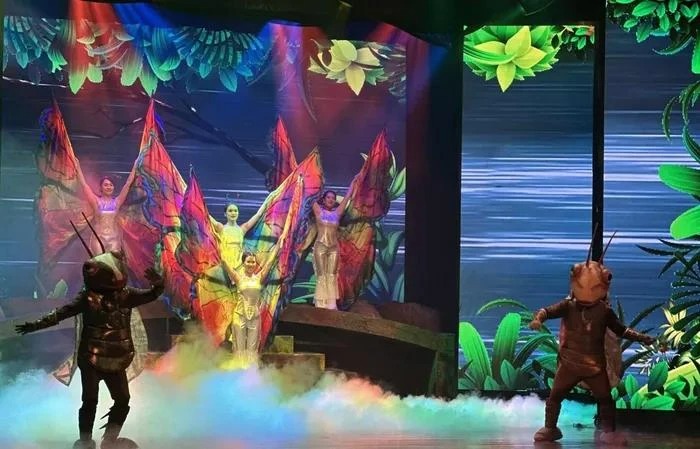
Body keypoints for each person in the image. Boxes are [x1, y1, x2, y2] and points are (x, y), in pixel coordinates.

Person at [15, 226, 164, 449]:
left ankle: (110, 439)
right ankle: (85, 440)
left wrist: (158, 284)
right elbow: (61, 313)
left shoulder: (125, 295)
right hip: (92, 358)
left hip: (117, 358)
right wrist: (35, 325)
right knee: (90, 400)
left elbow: (152, 294)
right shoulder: (89, 298)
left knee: (122, 400)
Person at [529, 245, 654, 444]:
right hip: (569, 364)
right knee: (555, 396)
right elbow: (547, 311)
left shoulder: (604, 312)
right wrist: (538, 319)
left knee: (604, 399)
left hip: (594, 366)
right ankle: (550, 428)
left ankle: (608, 432)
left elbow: (620, 330)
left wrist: (641, 338)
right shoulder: (568, 306)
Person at [311, 181, 356, 310]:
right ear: (324, 199)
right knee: (321, 275)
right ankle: (321, 302)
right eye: (328, 197)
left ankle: (331, 303)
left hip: (333, 248)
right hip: (320, 246)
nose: (331, 200)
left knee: (331, 275)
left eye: (333, 198)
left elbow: (347, 197)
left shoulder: (337, 213)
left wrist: (353, 183)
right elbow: (309, 195)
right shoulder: (318, 211)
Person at [210, 202, 266, 271]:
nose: (233, 213)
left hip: (239, 267)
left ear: (238, 213)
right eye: (230, 211)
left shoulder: (242, 229)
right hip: (224, 267)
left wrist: (271, 197)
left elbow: (258, 214)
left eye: (235, 211)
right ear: (225, 214)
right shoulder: (220, 228)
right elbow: (204, 214)